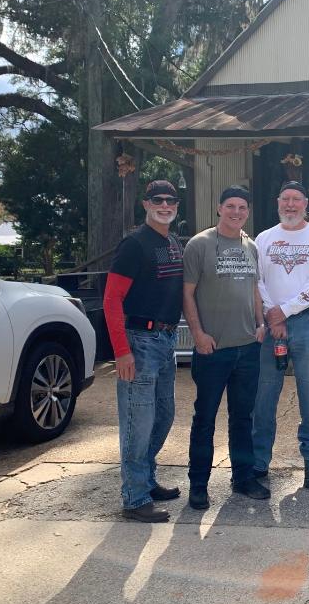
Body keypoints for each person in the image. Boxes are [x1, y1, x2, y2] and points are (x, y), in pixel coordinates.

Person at [182, 185, 269, 509]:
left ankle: (243, 477)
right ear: (219, 208)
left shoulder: (251, 246)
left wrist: (260, 324)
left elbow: (255, 289)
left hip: (247, 347)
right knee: (205, 418)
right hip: (212, 349)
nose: (236, 212)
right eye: (230, 206)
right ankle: (198, 485)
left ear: (248, 211)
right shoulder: (199, 244)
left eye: (242, 207)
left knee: (242, 417)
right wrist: (198, 334)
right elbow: (187, 293)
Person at [102, 179, 184, 522]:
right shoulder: (134, 245)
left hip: (166, 341)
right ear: (146, 204)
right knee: (138, 421)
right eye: (157, 200)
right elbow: (111, 300)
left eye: (171, 201)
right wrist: (122, 351)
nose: (165, 206)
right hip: (139, 341)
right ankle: (134, 498)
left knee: (163, 415)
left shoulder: (173, 242)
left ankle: (146, 481)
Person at [252, 181, 309, 489]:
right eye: (285, 199)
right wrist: (272, 314)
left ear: (305, 203)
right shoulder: (263, 239)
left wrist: (284, 312)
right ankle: (258, 462)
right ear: (278, 202)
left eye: (296, 199)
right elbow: (256, 280)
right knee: (263, 397)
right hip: (270, 324)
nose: (290, 205)